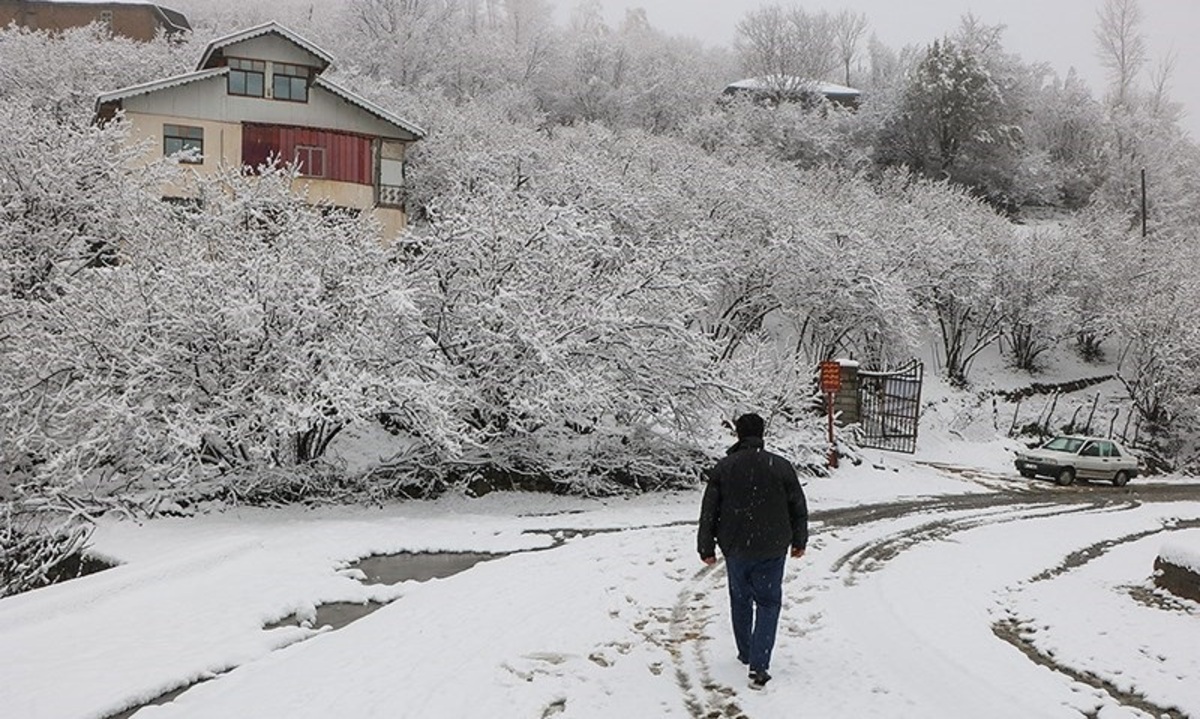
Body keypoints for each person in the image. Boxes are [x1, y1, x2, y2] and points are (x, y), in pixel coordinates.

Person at [697, 412, 808, 690]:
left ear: (737, 434)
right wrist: (799, 540)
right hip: (772, 547)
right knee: (769, 603)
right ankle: (759, 665)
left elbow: (709, 510)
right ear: (762, 433)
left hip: (736, 548)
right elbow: (798, 506)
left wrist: (706, 547)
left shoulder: (725, 467)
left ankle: (746, 651)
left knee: (740, 599)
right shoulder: (780, 467)